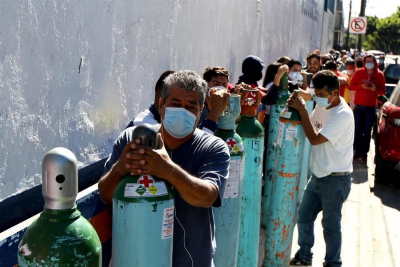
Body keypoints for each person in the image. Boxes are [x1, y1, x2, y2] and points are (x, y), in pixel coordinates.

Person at [98, 70, 230, 267]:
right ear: (161, 105)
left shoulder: (213, 147)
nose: (182, 111)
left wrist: (167, 169)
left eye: (190, 106)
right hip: (137, 259)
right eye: (176, 104)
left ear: (201, 110)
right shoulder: (132, 139)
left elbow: (207, 197)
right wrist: (119, 169)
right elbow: (105, 195)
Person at [287, 70, 354, 267]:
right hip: (318, 175)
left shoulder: (343, 115)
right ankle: (305, 255)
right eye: (317, 94)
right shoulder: (322, 102)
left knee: (331, 227)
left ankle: (333, 263)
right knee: (304, 216)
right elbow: (309, 96)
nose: (318, 99)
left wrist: (302, 111)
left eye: (322, 95)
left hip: (336, 179)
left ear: (335, 93)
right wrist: (298, 98)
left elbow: (315, 139)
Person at [349, 54, 385, 162]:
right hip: (358, 106)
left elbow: (382, 91)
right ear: (364, 62)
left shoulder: (379, 75)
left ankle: (364, 154)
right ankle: (356, 151)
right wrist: (361, 86)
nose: (369, 63)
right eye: (367, 61)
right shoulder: (359, 72)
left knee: (367, 130)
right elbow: (351, 86)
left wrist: (375, 89)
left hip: (370, 107)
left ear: (375, 62)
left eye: (371, 61)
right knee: (357, 130)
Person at [200, 66, 231, 133]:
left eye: (224, 85)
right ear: (206, 86)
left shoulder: (228, 106)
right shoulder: (199, 108)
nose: (221, 88)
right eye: (216, 84)